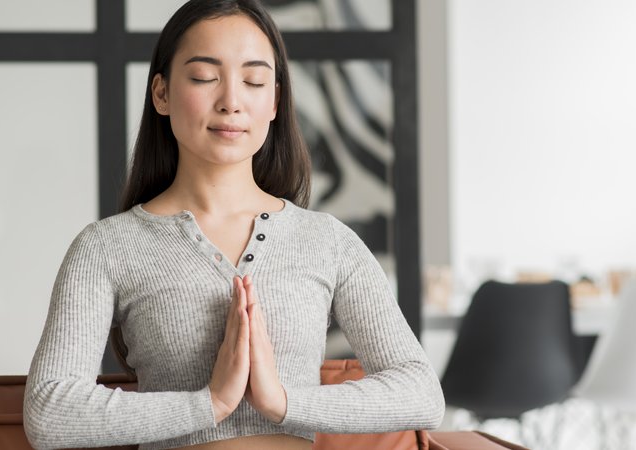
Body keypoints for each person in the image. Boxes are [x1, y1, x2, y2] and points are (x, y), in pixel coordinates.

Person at [22, 1, 445, 449]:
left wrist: (284, 402)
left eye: (254, 80)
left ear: (275, 101)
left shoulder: (328, 241)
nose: (231, 102)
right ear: (161, 93)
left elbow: (421, 393)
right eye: (205, 77)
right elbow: (50, 413)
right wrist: (208, 403)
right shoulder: (106, 246)